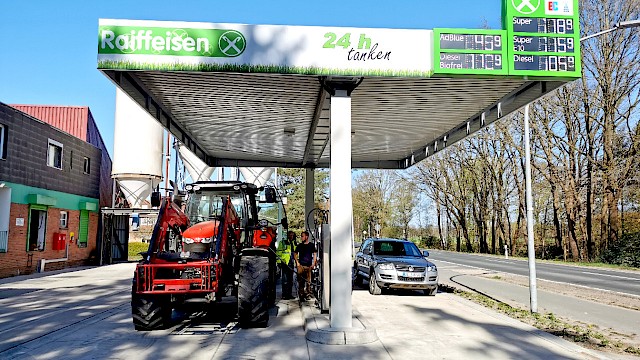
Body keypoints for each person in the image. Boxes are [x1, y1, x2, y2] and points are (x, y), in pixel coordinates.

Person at [294, 231, 316, 300]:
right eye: (301, 236)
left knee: (308, 281)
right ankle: (301, 295)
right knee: (300, 281)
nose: (301, 238)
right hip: (301, 266)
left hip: (309, 266)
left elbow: (315, 254)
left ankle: (308, 294)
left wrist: (313, 263)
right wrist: (297, 263)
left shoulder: (311, 245)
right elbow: (295, 254)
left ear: (307, 237)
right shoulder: (300, 245)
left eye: (302, 236)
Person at [276, 231, 295, 300]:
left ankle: (289, 294)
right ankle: (284, 295)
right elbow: (278, 252)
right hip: (285, 263)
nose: (291, 237)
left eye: (292, 235)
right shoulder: (283, 242)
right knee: (285, 280)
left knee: (290, 280)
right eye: (290, 235)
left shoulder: (294, 243)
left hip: (291, 264)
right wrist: (279, 262)